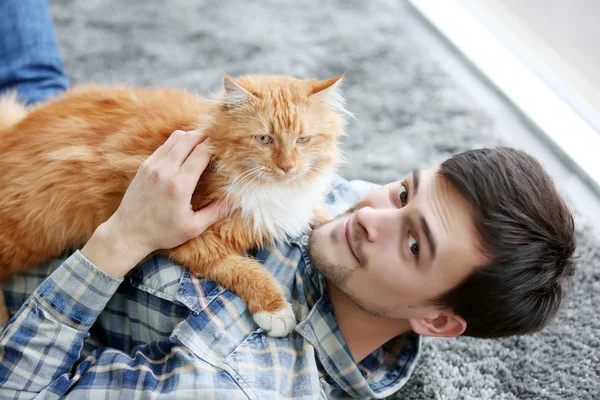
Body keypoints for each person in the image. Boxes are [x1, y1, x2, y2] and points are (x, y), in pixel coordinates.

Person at [0, 1, 576, 398]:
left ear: (437, 319)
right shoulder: (351, 226)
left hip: (30, 229)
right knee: (36, 75)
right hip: (71, 129)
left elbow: (20, 385)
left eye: (414, 241)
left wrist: (124, 237)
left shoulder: (235, 380)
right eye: (404, 190)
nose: (373, 213)